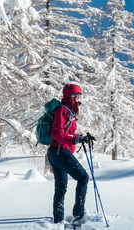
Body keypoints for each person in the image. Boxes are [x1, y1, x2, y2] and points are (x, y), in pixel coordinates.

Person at [48, 83, 95, 226]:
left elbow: (65, 132)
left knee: (61, 187)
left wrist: (80, 137)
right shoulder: (62, 110)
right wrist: (75, 139)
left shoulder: (69, 111)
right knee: (83, 177)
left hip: (56, 152)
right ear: (68, 95)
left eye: (79, 95)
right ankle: (79, 214)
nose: (77, 97)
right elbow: (56, 132)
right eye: (74, 95)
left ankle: (58, 221)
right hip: (60, 151)